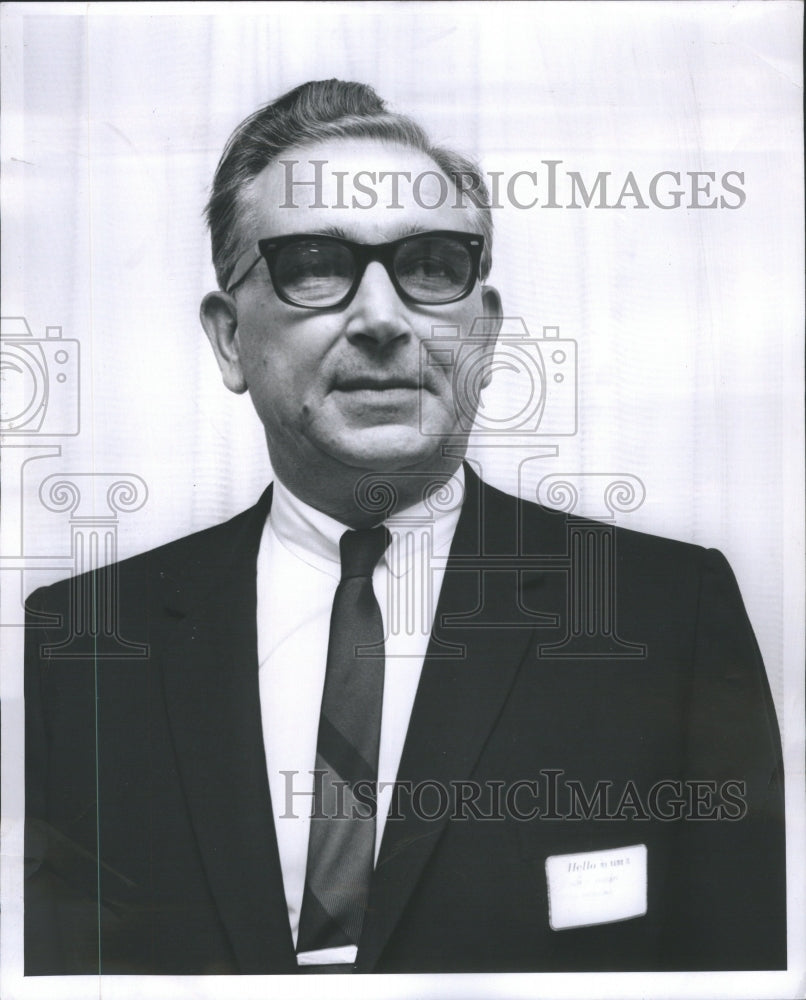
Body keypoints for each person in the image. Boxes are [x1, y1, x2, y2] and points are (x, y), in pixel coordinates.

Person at [24, 79, 786, 975]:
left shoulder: (667, 615)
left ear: (486, 335)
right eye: (313, 263)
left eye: (430, 266)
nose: (383, 319)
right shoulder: (83, 641)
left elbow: (742, 969)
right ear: (230, 339)